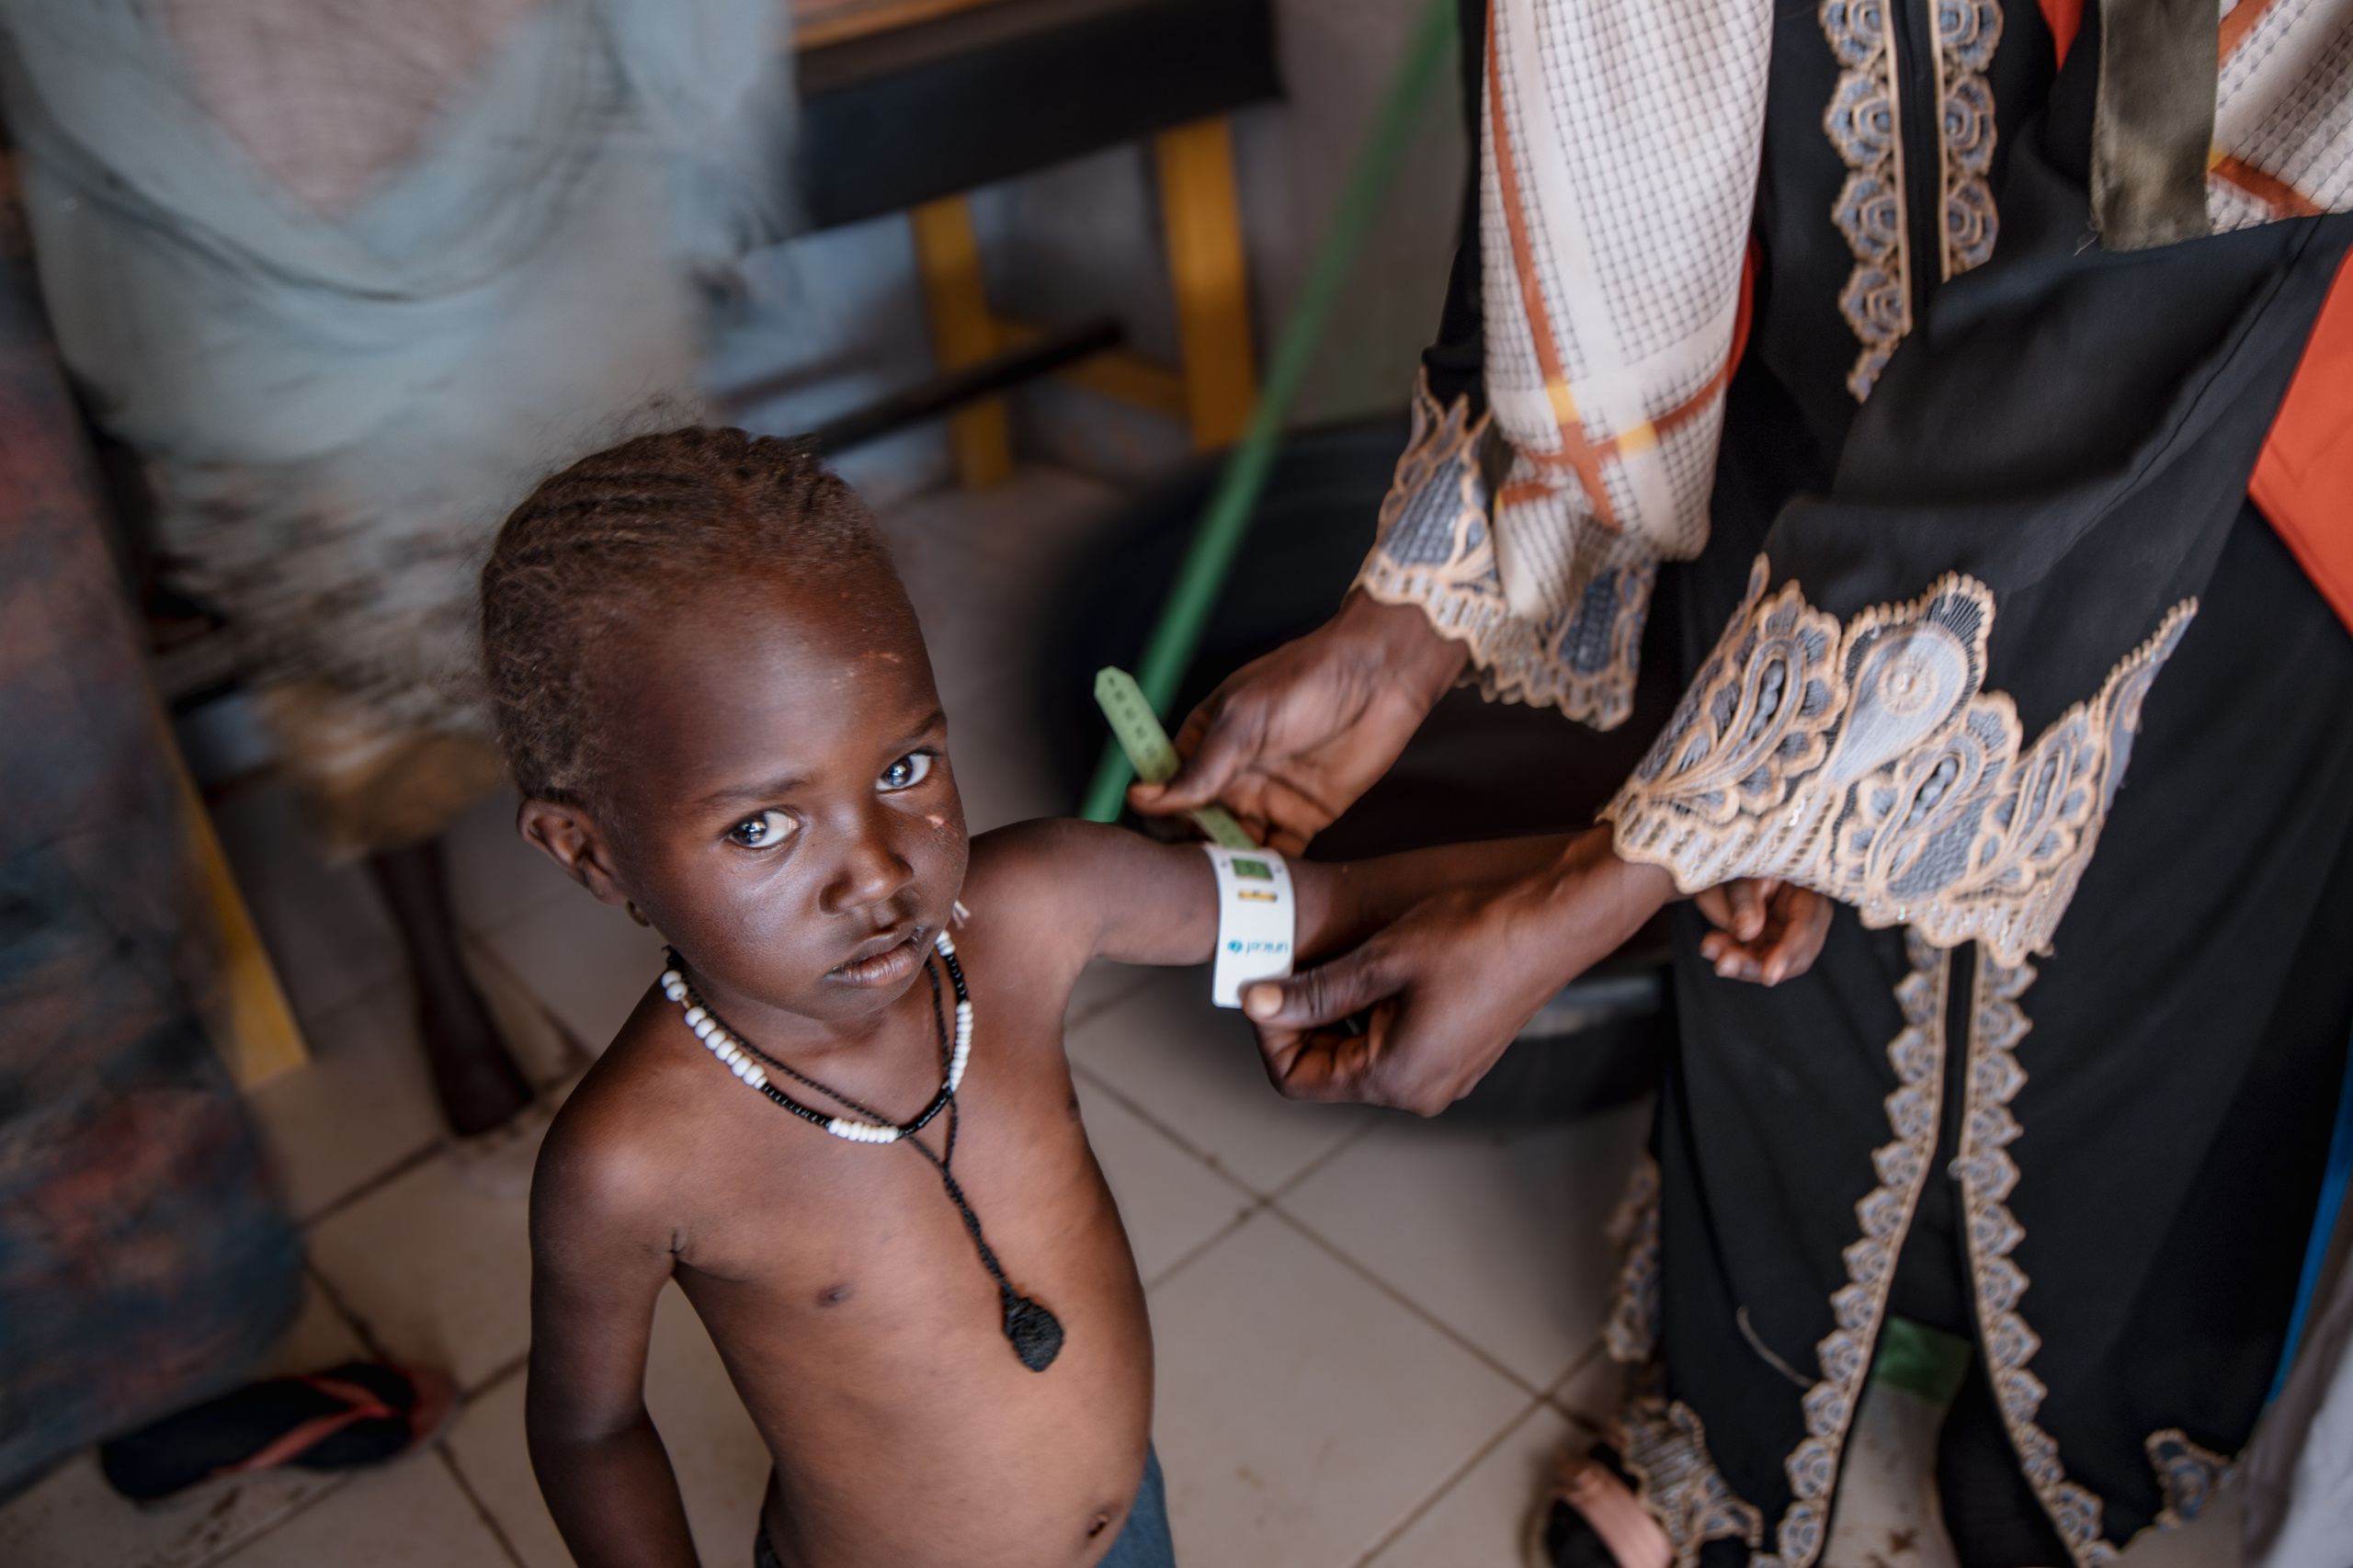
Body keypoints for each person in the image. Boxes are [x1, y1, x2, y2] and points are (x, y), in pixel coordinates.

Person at [1136, 1, 2353, 1563]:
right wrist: (1407, 626)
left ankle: (2076, 1452)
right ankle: (1735, 1418)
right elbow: (1581, 120)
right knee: (1777, 973)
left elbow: (2160, 212)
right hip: (1800, 373)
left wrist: (1605, 877)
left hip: (2225, 421)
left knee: (2140, 972)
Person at [479, 428, 1718, 1568]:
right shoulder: (634, 1160)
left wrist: (1653, 868)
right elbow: (591, 1432)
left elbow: (1349, 899)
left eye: (906, 766)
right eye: (761, 825)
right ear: (591, 854)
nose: (877, 870)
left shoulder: (1034, 905)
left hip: (1133, 1521)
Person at [0, 0, 788, 1135]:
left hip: (372, 206)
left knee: (621, 602)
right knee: (514, 625)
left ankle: (620, 952)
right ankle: (462, 982)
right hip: (342, 169)